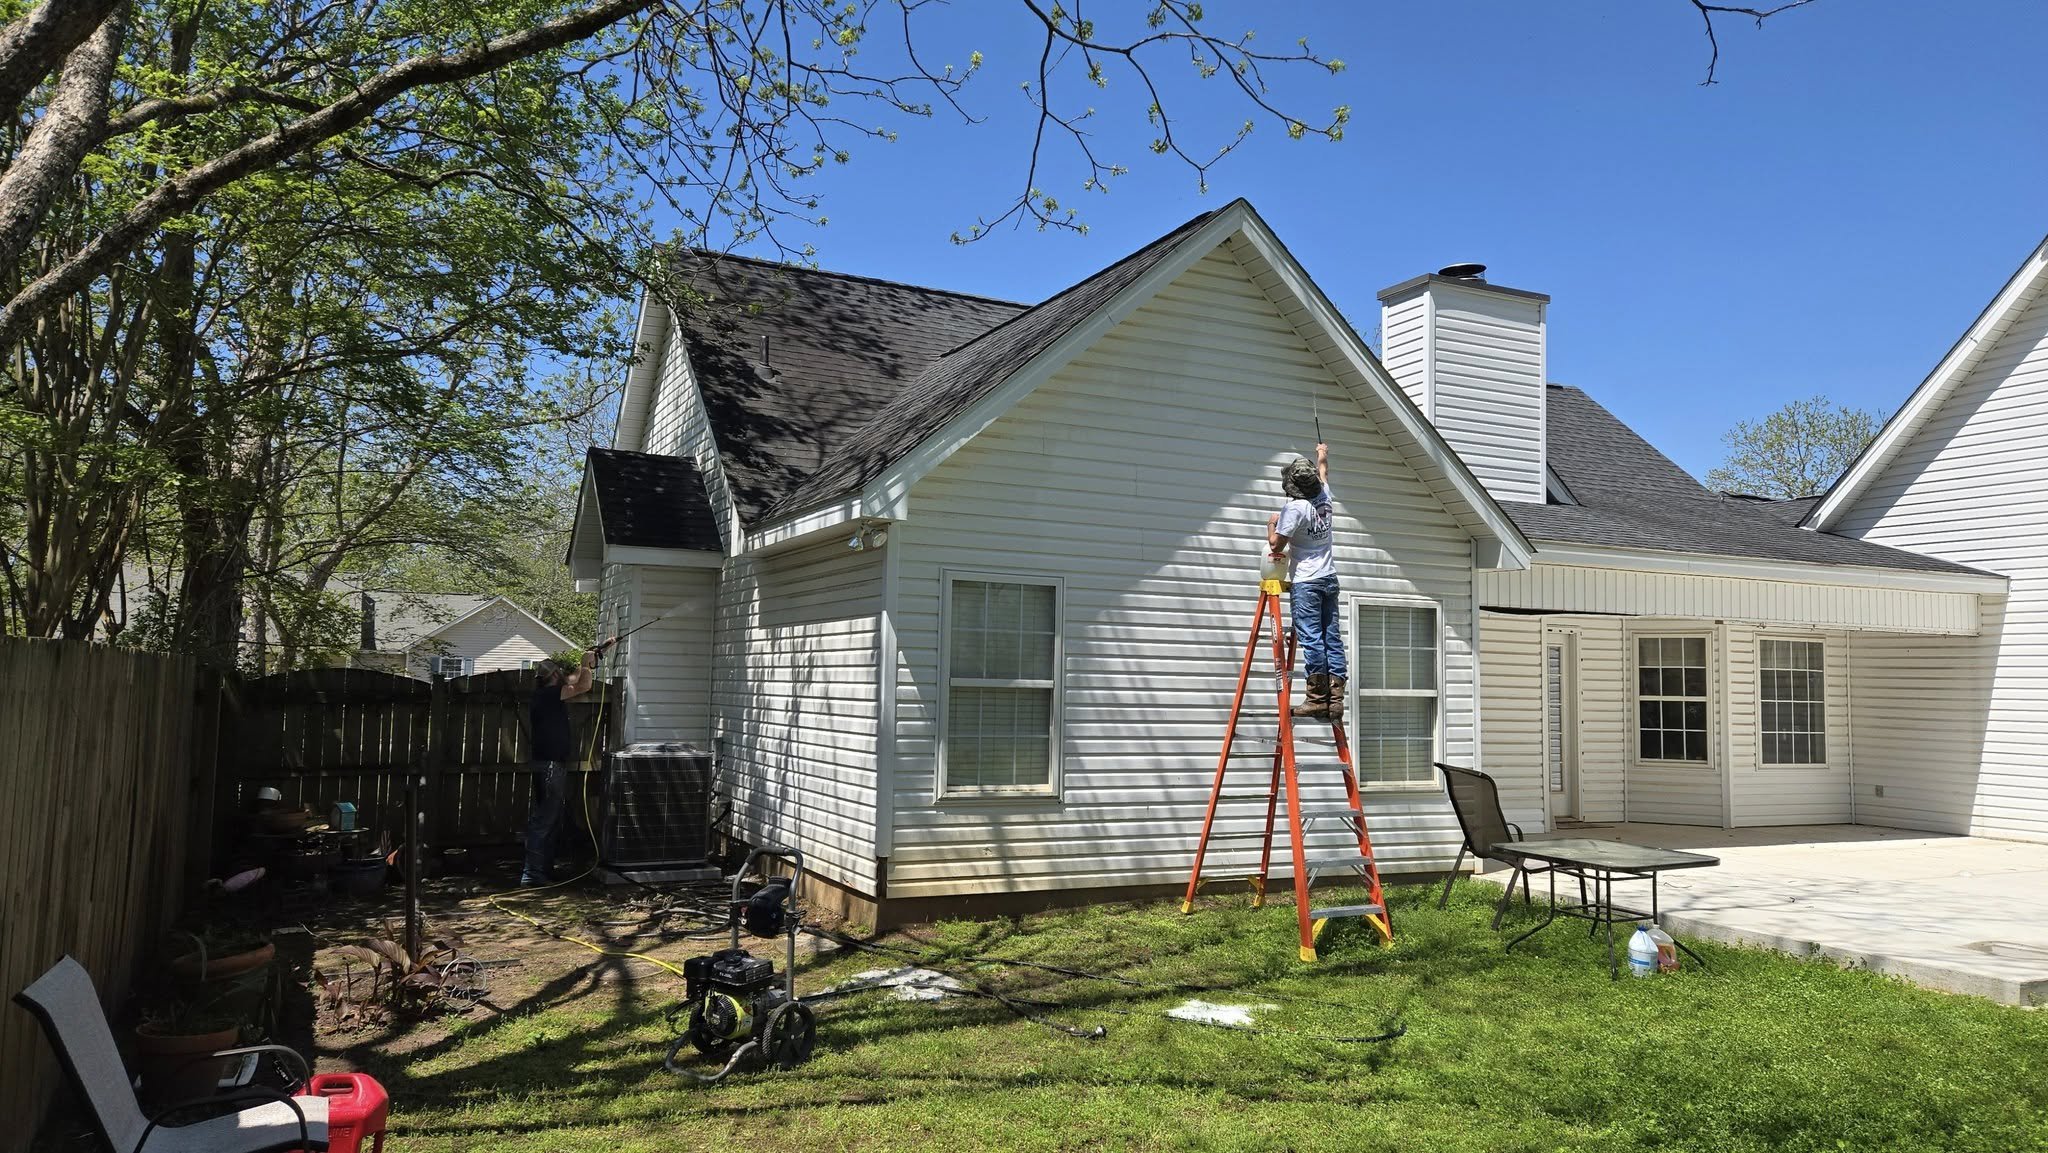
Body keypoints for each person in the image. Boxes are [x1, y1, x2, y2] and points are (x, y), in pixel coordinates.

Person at [1268, 441, 1345, 721]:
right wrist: (1322, 454)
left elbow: (1276, 546)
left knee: (1312, 638)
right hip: (1329, 578)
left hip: (1307, 582)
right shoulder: (1325, 495)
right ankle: (1335, 701)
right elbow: (1323, 472)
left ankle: (1316, 699)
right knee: (1331, 637)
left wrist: (1271, 523)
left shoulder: (1295, 509)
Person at [523, 642, 605, 885]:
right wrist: (584, 664)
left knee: (548, 819)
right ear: (554, 676)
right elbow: (583, 685)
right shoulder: (550, 695)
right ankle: (532, 875)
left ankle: (541, 872)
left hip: (546, 765)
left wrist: (596, 654)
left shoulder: (544, 694)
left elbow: (574, 679)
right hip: (549, 767)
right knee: (544, 821)